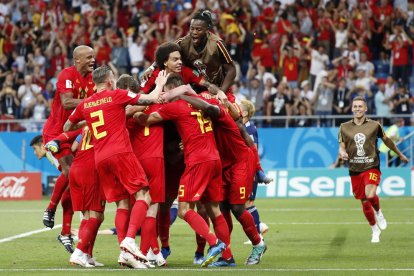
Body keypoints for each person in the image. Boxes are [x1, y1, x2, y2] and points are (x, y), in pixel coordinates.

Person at [64, 65, 167, 269]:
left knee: (122, 204)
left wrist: (89, 123)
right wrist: (160, 84)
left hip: (100, 158)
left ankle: (125, 253)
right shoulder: (116, 95)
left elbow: (68, 126)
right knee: (144, 195)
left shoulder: (85, 103)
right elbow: (150, 98)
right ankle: (129, 242)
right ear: (110, 81)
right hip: (120, 152)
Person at [135, 73, 228, 267]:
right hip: (214, 159)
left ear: (170, 90)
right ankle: (228, 257)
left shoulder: (176, 107)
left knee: (184, 210)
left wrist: (135, 114)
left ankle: (215, 243)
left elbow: (147, 120)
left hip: (197, 162)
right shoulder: (200, 100)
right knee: (214, 209)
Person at [177, 93, 268, 266]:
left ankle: (258, 243)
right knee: (222, 209)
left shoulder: (225, 114)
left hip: (240, 163)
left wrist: (258, 169)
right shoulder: (208, 118)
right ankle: (227, 256)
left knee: (237, 207)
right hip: (223, 165)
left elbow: (248, 141)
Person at [41, 45, 96, 253]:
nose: (92, 60)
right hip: (56, 132)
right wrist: (94, 101)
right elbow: (66, 103)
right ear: (77, 60)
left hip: (76, 132)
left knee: (76, 182)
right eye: (88, 57)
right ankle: (50, 208)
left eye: (93, 57)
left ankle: (65, 233)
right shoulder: (67, 74)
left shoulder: (93, 79)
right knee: (70, 170)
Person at [338, 96, 408, 243]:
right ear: (352, 109)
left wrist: (400, 154)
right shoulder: (344, 127)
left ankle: (379, 211)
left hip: (371, 166)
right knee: (363, 201)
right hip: (354, 168)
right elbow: (342, 145)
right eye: (355, 106)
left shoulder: (375, 125)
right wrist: (342, 153)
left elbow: (387, 140)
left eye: (360, 106)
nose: (357, 109)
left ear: (365, 109)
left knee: (370, 195)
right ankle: (374, 229)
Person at [143, 9, 236, 102]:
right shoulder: (183, 42)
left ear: (207, 30)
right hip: (196, 87)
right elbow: (166, 53)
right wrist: (151, 67)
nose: (194, 32)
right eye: (192, 28)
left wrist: (221, 92)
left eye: (198, 29)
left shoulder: (217, 44)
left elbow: (231, 70)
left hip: (218, 86)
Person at [239, 100, 270, 240]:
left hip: (249, 170)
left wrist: (256, 171)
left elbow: (253, 151)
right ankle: (259, 227)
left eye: (239, 107)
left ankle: (258, 234)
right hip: (243, 170)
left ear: (244, 113)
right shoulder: (242, 126)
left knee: (248, 203)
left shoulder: (250, 129)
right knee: (243, 204)